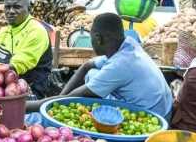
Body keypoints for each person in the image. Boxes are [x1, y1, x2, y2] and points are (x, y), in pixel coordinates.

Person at [27, 13, 173, 119]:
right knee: (92, 74)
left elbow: (67, 100)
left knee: (87, 101)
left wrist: (25, 107)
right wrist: (61, 95)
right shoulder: (129, 45)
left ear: (98, 38)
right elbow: (87, 66)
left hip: (153, 116)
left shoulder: (120, 65)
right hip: (162, 106)